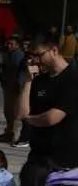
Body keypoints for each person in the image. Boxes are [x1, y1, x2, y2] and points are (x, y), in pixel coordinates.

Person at [19, 37, 78, 169]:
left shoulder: (73, 77)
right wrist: (28, 81)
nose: (35, 60)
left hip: (65, 157)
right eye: (32, 56)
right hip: (38, 153)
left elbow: (52, 118)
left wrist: (30, 119)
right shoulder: (39, 80)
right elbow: (21, 113)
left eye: (39, 55)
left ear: (54, 51)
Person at [0, 36, 25, 145]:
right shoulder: (8, 54)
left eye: (12, 44)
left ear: (17, 45)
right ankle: (8, 131)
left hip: (15, 87)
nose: (9, 46)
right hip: (8, 85)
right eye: (8, 43)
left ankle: (13, 134)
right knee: (8, 111)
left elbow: (19, 72)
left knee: (14, 112)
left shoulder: (19, 55)